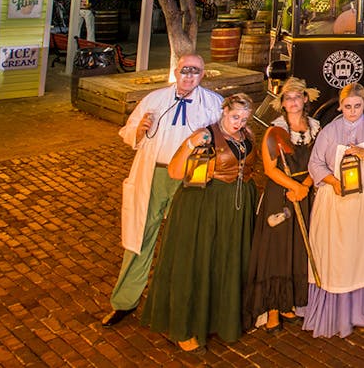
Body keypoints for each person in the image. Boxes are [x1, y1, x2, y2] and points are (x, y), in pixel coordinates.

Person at [102, 54, 223, 328]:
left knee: (183, 240)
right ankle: (124, 301)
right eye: (184, 71)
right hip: (154, 175)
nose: (189, 76)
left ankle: (178, 302)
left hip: (189, 179)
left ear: (203, 74)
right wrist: (139, 131)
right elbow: (127, 130)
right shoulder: (154, 100)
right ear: (176, 71)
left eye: (195, 72)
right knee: (141, 237)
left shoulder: (213, 105)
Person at [140, 93, 258, 353]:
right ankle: (184, 327)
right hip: (204, 206)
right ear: (224, 111)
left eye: (244, 118)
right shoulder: (205, 135)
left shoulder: (247, 135)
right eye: (235, 116)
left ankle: (219, 318)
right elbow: (174, 171)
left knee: (225, 262)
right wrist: (190, 143)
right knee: (198, 261)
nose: (238, 122)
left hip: (236, 209)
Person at [303, 83, 364, 338]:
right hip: (336, 200)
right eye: (347, 106)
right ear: (340, 105)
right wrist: (333, 182)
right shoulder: (330, 130)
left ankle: (363, 311)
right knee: (339, 254)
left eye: (357, 106)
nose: (352, 111)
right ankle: (337, 311)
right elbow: (315, 163)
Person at [244, 78, 320, 332]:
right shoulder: (274, 131)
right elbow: (269, 169)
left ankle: (288, 303)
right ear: (282, 103)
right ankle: (272, 309)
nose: (293, 102)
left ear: (305, 99)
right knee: (276, 250)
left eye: (297, 97)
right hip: (281, 194)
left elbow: (318, 162)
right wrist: (294, 187)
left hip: (303, 192)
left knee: (297, 248)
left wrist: (306, 185)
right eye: (288, 98)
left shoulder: (315, 128)